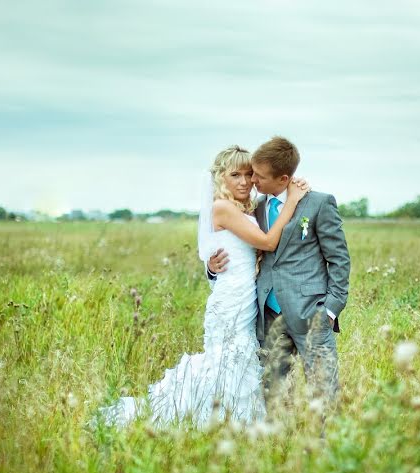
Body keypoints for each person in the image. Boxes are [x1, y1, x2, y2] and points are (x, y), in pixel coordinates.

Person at [95, 145, 308, 427]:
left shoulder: (246, 209)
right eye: (235, 175)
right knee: (225, 359)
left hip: (247, 299)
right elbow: (268, 242)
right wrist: (293, 200)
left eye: (249, 174)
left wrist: (212, 265)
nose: (244, 182)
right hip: (230, 300)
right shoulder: (222, 208)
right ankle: (205, 416)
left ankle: (230, 419)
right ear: (221, 177)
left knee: (239, 359)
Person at [207, 136, 350, 406]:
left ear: (284, 178)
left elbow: (340, 259)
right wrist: (212, 268)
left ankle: (325, 444)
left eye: (257, 176)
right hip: (267, 314)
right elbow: (236, 247)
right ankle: (275, 441)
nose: (251, 182)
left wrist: (330, 309)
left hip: (311, 312)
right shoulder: (255, 207)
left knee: (324, 391)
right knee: (269, 392)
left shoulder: (318, 203)